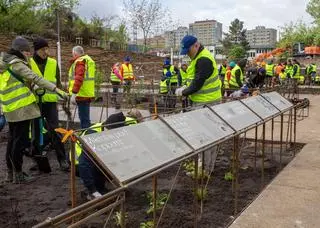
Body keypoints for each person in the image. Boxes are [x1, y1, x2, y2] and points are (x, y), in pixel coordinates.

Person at [0, 36, 68, 183]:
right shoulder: (18, 64)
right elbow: (35, 78)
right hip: (23, 108)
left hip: (15, 107)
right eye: (27, 51)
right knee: (21, 140)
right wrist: (57, 90)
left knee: (14, 140)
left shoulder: (5, 64)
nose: (28, 54)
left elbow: (22, 82)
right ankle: (19, 172)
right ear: (20, 51)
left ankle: (11, 173)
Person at [74, 110, 142, 199]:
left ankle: (100, 188)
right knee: (98, 169)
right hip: (78, 162)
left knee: (111, 162)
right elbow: (83, 164)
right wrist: (93, 189)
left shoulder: (110, 130)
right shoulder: (94, 136)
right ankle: (91, 192)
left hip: (94, 159)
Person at [29, 38, 69, 171]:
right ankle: (38, 159)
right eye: (42, 49)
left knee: (55, 130)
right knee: (36, 132)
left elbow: (57, 83)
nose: (46, 52)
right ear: (36, 50)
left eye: (47, 49)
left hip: (50, 103)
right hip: (35, 102)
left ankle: (62, 160)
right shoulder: (29, 63)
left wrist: (61, 94)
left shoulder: (53, 63)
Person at [176, 35, 221, 106]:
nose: (187, 54)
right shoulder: (198, 57)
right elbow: (193, 78)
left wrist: (184, 92)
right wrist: (186, 86)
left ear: (196, 46)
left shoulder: (203, 60)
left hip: (207, 102)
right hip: (203, 100)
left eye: (188, 51)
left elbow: (197, 83)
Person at [69, 46, 95, 129]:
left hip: (81, 94)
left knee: (84, 120)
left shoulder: (80, 61)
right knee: (85, 119)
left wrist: (74, 93)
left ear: (75, 53)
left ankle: (85, 138)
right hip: (85, 94)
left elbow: (79, 78)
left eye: (73, 54)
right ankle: (86, 136)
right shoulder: (87, 60)